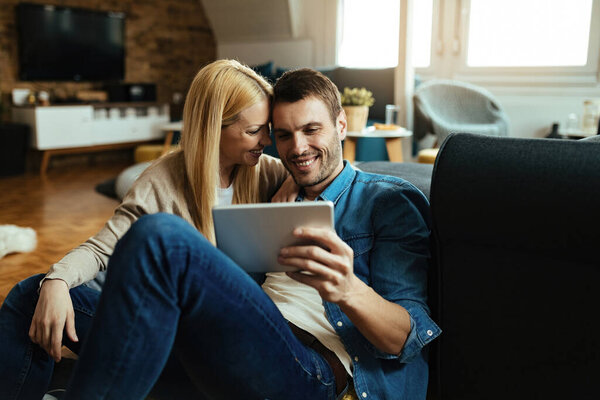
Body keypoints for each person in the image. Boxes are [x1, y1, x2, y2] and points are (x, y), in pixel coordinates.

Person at [59, 68, 441, 400]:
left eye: (311, 130)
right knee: (39, 294)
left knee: (161, 237)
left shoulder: (386, 201)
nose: (298, 148)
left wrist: (346, 289)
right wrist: (57, 280)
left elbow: (405, 339)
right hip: (229, 347)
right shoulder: (275, 183)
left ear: (341, 125)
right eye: (284, 135)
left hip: (308, 369)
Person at [0, 59, 294, 399]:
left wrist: (295, 186)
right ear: (214, 126)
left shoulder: (272, 174)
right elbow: (101, 248)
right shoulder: (163, 180)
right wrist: (57, 280)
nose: (267, 140)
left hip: (221, 349)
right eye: (253, 131)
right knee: (32, 294)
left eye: (266, 128)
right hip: (168, 337)